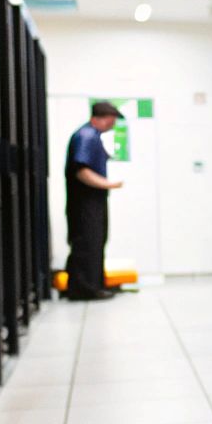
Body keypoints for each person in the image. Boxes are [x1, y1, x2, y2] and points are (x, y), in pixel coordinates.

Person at [63, 101, 125, 301]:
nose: (113, 124)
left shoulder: (91, 136)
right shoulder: (86, 136)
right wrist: (109, 184)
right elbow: (82, 171)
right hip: (85, 202)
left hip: (90, 200)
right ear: (103, 118)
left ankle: (92, 285)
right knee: (87, 242)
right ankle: (85, 288)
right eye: (112, 120)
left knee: (95, 241)